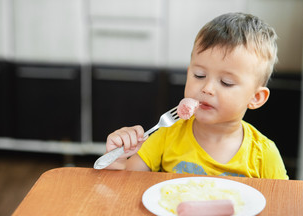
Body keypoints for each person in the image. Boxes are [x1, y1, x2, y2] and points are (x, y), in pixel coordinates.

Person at [104, 12, 288, 179]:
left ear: (255, 98)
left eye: (226, 82)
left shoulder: (264, 155)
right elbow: (126, 184)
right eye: (199, 75)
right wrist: (117, 160)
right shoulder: (167, 135)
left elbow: (283, 204)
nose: (207, 88)